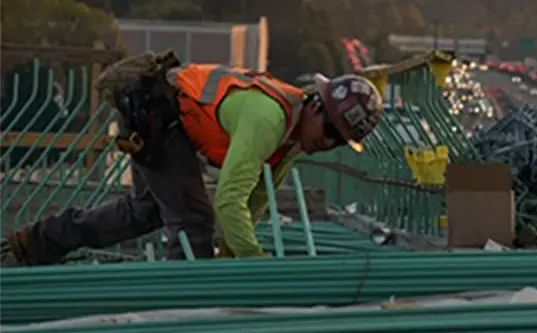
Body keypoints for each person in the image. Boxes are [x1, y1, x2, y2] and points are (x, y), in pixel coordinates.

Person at [2, 59, 383, 266]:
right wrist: (255, 265)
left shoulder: (295, 138)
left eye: (338, 141)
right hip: (159, 115)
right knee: (193, 223)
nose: (327, 142)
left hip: (163, 117)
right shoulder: (270, 120)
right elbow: (229, 201)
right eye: (329, 130)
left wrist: (234, 256)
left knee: (146, 212)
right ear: (315, 103)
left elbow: (254, 203)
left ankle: (36, 243)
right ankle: (185, 307)